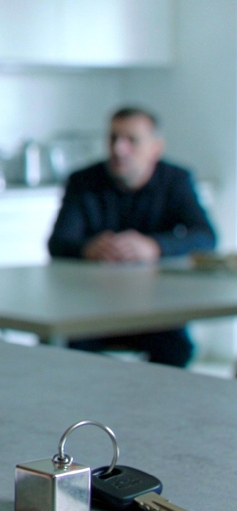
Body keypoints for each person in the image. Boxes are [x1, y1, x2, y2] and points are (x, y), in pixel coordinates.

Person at [47, 107, 216, 367]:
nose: (119, 149)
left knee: (177, 349)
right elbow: (58, 243)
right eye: (113, 138)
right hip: (92, 306)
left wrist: (155, 246)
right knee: (74, 356)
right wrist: (87, 249)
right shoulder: (84, 181)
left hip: (157, 307)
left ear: (155, 148)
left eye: (131, 140)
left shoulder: (176, 180)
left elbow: (206, 237)